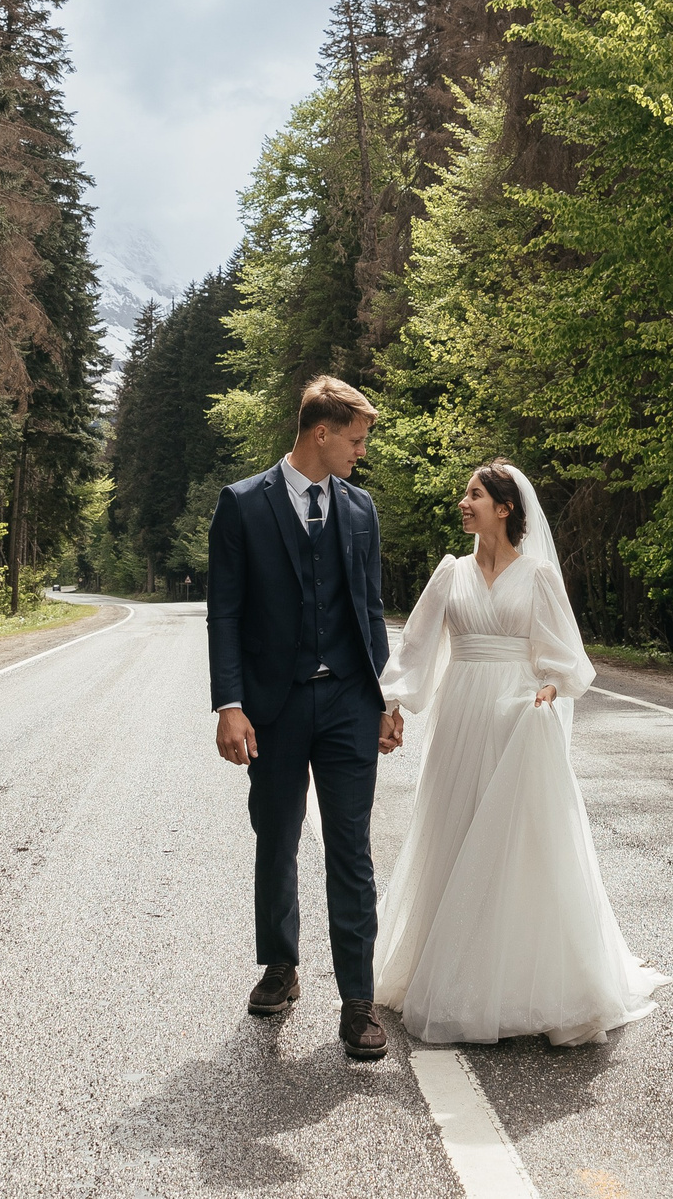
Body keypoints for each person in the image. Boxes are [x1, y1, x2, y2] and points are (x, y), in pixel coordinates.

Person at [375, 459, 668, 1045]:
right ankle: (449, 969)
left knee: (515, 840)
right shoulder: (451, 572)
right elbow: (417, 647)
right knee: (452, 829)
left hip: (515, 712)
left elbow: (564, 655)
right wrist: (393, 704)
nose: (463, 502)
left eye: (474, 494)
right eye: (465, 494)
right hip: (461, 716)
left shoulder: (536, 576)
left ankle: (518, 981)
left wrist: (549, 688)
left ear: (504, 509)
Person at [204, 375, 400, 1061]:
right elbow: (224, 610)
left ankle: (357, 1003)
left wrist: (387, 696)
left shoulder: (361, 509)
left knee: (352, 848)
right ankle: (281, 966)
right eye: (355, 438)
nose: (360, 451)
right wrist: (229, 703)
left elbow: (370, 609)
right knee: (276, 835)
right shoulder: (241, 505)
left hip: (349, 698)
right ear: (322, 432)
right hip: (274, 703)